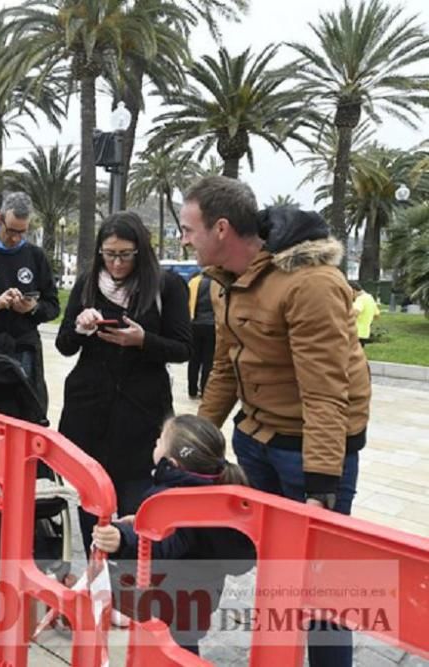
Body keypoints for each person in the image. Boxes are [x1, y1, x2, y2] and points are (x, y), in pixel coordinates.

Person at [180, 176, 371, 667]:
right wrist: (195, 440)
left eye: (188, 228)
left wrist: (320, 490)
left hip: (309, 452)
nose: (183, 238)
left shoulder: (310, 284)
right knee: (271, 572)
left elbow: (327, 393)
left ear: (221, 229)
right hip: (255, 441)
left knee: (322, 587)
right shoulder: (224, 281)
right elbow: (223, 367)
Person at [56, 211, 192, 555]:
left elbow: (184, 348)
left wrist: (144, 340)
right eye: (109, 254)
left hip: (142, 416)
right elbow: (63, 345)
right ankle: (96, 575)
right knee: (91, 504)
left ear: (140, 251)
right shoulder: (88, 281)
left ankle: (132, 583)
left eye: (125, 254)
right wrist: (81, 328)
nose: (116, 263)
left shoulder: (167, 285)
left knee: (139, 508)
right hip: (89, 412)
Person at [92, 415, 256, 655]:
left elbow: (167, 542)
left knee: (168, 651)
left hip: (169, 597)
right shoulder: (215, 490)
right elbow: (187, 536)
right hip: (199, 595)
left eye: (160, 441)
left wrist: (124, 537)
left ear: (172, 463)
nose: (155, 443)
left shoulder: (175, 497)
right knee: (183, 648)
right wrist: (139, 523)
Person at [0, 189, 60, 415]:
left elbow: (53, 306)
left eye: (22, 232)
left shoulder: (35, 256)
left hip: (23, 351)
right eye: (11, 230)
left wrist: (32, 308)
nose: (15, 238)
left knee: (23, 418)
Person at [185, 271, 215, 399]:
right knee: (208, 360)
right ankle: (204, 390)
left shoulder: (194, 282)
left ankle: (192, 390)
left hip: (194, 323)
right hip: (211, 325)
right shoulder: (216, 284)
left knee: (194, 359)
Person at [350, 281, 380, 347]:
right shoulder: (370, 298)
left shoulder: (360, 299)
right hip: (364, 333)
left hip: (354, 333)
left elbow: (355, 312)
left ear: (353, 290)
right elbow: (377, 315)